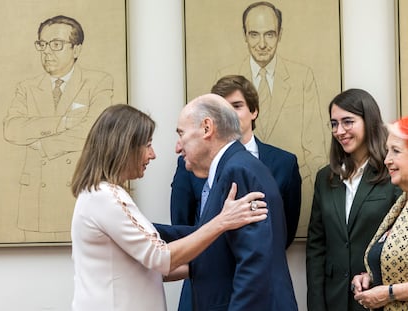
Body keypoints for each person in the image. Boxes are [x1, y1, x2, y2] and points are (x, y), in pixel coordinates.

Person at [70, 104, 268, 311]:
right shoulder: (105, 197)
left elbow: (150, 268)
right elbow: (160, 257)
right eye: (147, 145)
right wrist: (223, 221)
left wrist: (218, 261)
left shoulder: (100, 195)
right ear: (124, 146)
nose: (152, 154)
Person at [170, 75, 302, 310]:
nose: (178, 146)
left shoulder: (237, 171)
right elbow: (208, 233)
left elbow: (254, 263)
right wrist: (139, 228)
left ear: (207, 128)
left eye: (181, 133)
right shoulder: (235, 165)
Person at [217, 1, 327, 236]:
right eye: (254, 34)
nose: (262, 44)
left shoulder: (302, 77)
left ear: (280, 35)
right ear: (245, 35)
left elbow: (314, 146)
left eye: (269, 34)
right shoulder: (224, 76)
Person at [3, 15, 113, 241]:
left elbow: (91, 133)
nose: (47, 52)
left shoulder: (98, 82)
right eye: (42, 45)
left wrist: (42, 144)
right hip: (34, 197)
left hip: (75, 190)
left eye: (56, 44)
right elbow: (12, 129)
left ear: (76, 49)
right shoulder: (27, 87)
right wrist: (61, 122)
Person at [306, 89, 401, 311]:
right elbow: (316, 247)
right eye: (334, 124)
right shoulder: (325, 178)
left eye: (348, 122)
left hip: (378, 298)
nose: (339, 131)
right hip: (333, 300)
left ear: (369, 121)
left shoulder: (392, 174)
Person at [351, 116, 408, 311]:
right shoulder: (401, 204)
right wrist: (372, 277)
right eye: (387, 151)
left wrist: (388, 293)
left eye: (396, 151)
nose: (386, 160)